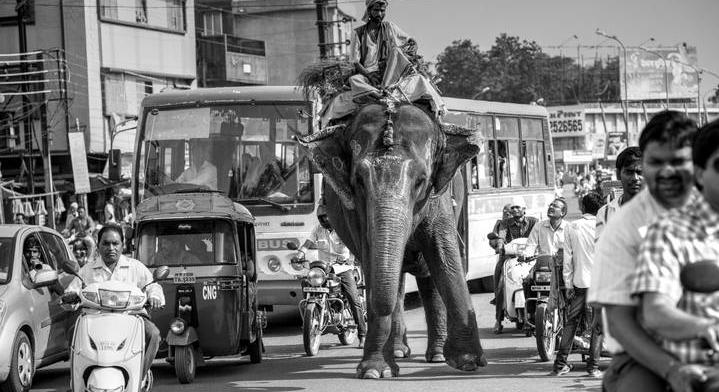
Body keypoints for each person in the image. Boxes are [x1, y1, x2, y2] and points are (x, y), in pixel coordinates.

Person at [587, 111, 705, 392]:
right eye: (655, 162)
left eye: (678, 162)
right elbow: (620, 318)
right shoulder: (615, 219)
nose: (666, 172)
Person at [629, 119, 719, 389]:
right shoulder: (668, 232)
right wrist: (703, 327)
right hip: (701, 371)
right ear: (700, 173)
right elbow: (656, 311)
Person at [63, 225, 164, 389]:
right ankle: (77, 381)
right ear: (98, 245)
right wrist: (69, 297)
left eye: (115, 243)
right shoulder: (87, 270)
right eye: (106, 243)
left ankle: (140, 376)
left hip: (131, 316)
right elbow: (73, 290)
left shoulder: (135, 266)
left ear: (122, 245)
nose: (111, 248)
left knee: (154, 334)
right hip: (95, 318)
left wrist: (154, 296)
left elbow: (153, 285)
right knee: (72, 332)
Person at [320, 0, 444, 124]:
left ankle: (386, 90)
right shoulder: (358, 33)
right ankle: (380, 96)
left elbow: (410, 40)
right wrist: (369, 76)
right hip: (367, 76)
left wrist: (412, 45)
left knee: (418, 78)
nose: (379, 14)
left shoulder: (390, 27)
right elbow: (356, 62)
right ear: (369, 11)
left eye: (382, 11)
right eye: (376, 10)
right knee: (354, 80)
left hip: (389, 73)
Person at [297, 203, 367, 348]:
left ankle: (362, 334)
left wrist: (350, 259)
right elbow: (308, 242)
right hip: (324, 268)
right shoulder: (318, 229)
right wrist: (300, 253)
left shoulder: (344, 229)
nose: (325, 220)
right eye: (322, 218)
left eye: (327, 217)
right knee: (305, 281)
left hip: (343, 268)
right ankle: (313, 314)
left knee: (353, 298)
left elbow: (355, 244)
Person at [551, 192, 604, 377]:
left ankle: (560, 364)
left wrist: (568, 284)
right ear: (601, 208)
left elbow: (568, 259)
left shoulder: (572, 226)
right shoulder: (604, 226)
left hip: (579, 283)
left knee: (571, 323)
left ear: (582, 207)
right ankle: (593, 367)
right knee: (597, 327)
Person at [492, 196, 538, 334]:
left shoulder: (534, 222)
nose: (515, 210)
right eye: (513, 208)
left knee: (540, 279)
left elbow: (539, 235)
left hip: (530, 258)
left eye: (517, 207)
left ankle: (540, 313)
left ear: (524, 209)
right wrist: (500, 246)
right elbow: (501, 236)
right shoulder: (504, 223)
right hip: (509, 258)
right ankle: (498, 320)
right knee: (500, 284)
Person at [596, 147, 643, 239]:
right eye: (629, 172)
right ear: (618, 174)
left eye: (640, 172)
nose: (635, 178)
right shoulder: (605, 214)